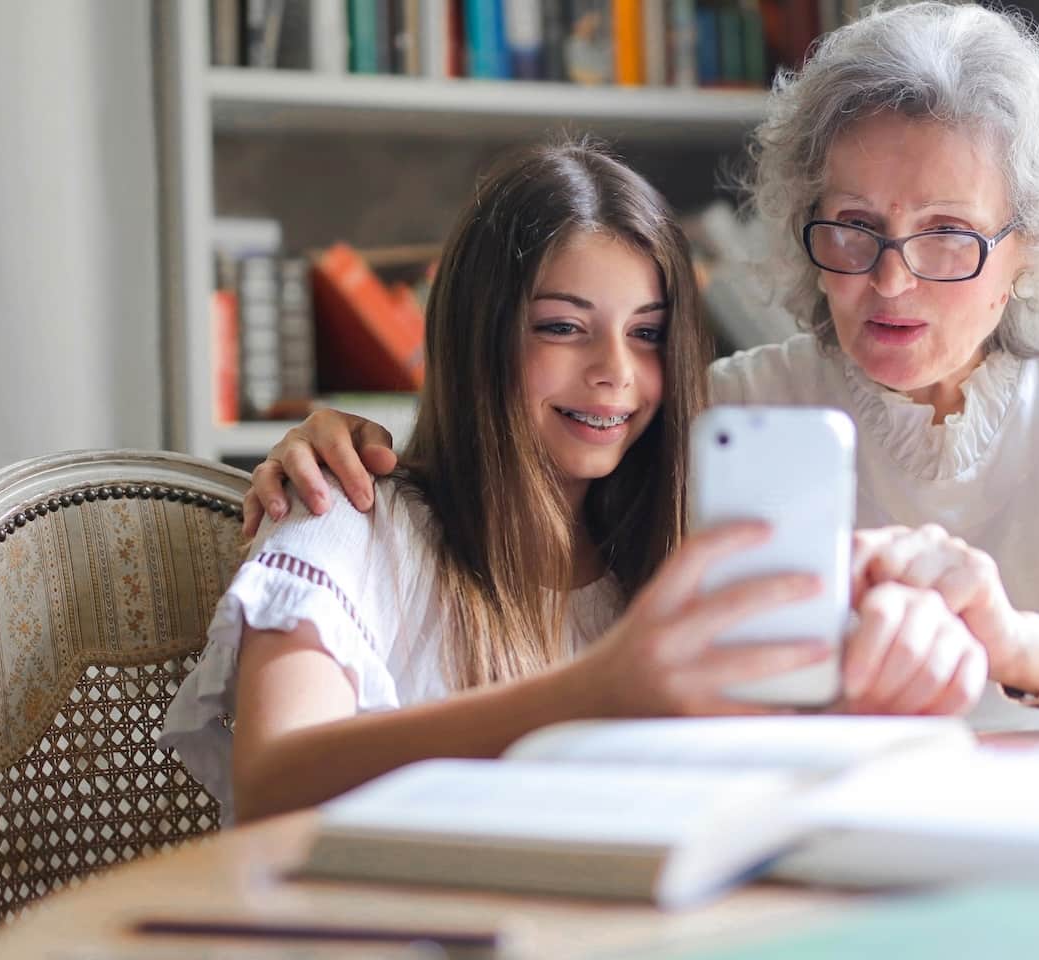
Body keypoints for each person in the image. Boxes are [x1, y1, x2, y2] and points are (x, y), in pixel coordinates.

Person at [244, 3, 1039, 733]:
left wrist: (1018, 646)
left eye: (948, 236)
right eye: (855, 228)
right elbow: (522, 488)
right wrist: (341, 445)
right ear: (800, 220)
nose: (891, 282)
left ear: (1029, 249)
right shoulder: (729, 410)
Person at [160, 141, 986, 825]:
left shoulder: (666, 559)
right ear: (478, 336)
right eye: (563, 328)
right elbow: (271, 781)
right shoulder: (349, 518)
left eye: (649, 335)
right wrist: (594, 693)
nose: (615, 375)